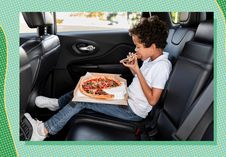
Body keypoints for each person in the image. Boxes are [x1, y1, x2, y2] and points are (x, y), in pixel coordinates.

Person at [24, 16, 172, 141]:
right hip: (126, 97)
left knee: (81, 101)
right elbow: (143, 83)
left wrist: (137, 72)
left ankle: (43, 131)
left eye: (138, 47)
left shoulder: (162, 67)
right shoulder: (150, 59)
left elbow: (153, 99)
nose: (135, 50)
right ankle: (57, 104)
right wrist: (134, 69)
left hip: (132, 111)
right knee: (84, 87)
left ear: (152, 46)